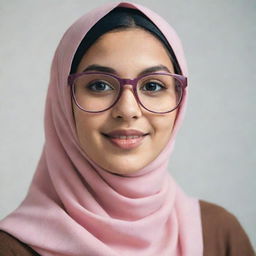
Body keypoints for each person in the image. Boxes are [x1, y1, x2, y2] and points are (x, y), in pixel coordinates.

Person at [0, 2, 254, 256]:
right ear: (63, 100)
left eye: (153, 86)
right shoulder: (10, 249)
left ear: (180, 99)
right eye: (99, 85)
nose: (128, 109)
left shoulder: (219, 235)